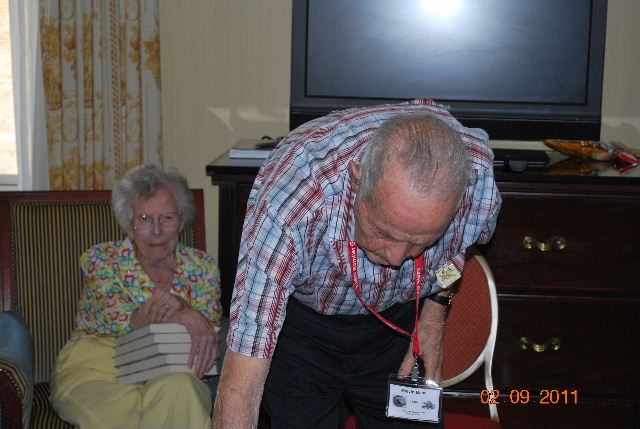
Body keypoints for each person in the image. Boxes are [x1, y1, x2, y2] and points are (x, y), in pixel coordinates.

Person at [213, 99, 501, 428]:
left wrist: (434, 314)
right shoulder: (295, 198)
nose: (396, 259)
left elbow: (459, 253)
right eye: (385, 233)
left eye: (422, 242)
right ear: (357, 179)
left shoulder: (477, 181)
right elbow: (240, 387)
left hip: (399, 326)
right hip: (302, 334)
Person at [50, 164, 223, 429]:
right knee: (120, 416)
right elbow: (117, 315)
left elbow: (209, 330)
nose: (156, 231)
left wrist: (185, 310)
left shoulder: (202, 267)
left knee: (180, 391)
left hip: (174, 368)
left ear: (181, 221)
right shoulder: (101, 259)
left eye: (167, 217)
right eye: (143, 219)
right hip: (99, 367)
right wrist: (182, 315)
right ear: (128, 225)